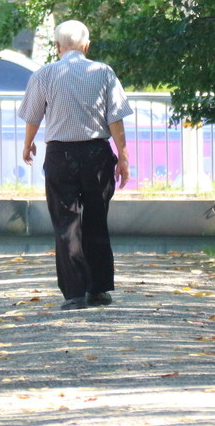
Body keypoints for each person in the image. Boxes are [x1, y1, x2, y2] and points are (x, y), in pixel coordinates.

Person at [18, 20, 133, 310]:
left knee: (66, 223)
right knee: (96, 220)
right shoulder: (103, 72)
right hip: (96, 153)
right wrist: (123, 156)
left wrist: (28, 142)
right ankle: (99, 289)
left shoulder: (44, 74)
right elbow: (115, 118)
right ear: (87, 45)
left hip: (59, 155)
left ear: (57, 47)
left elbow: (33, 115)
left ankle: (74, 293)